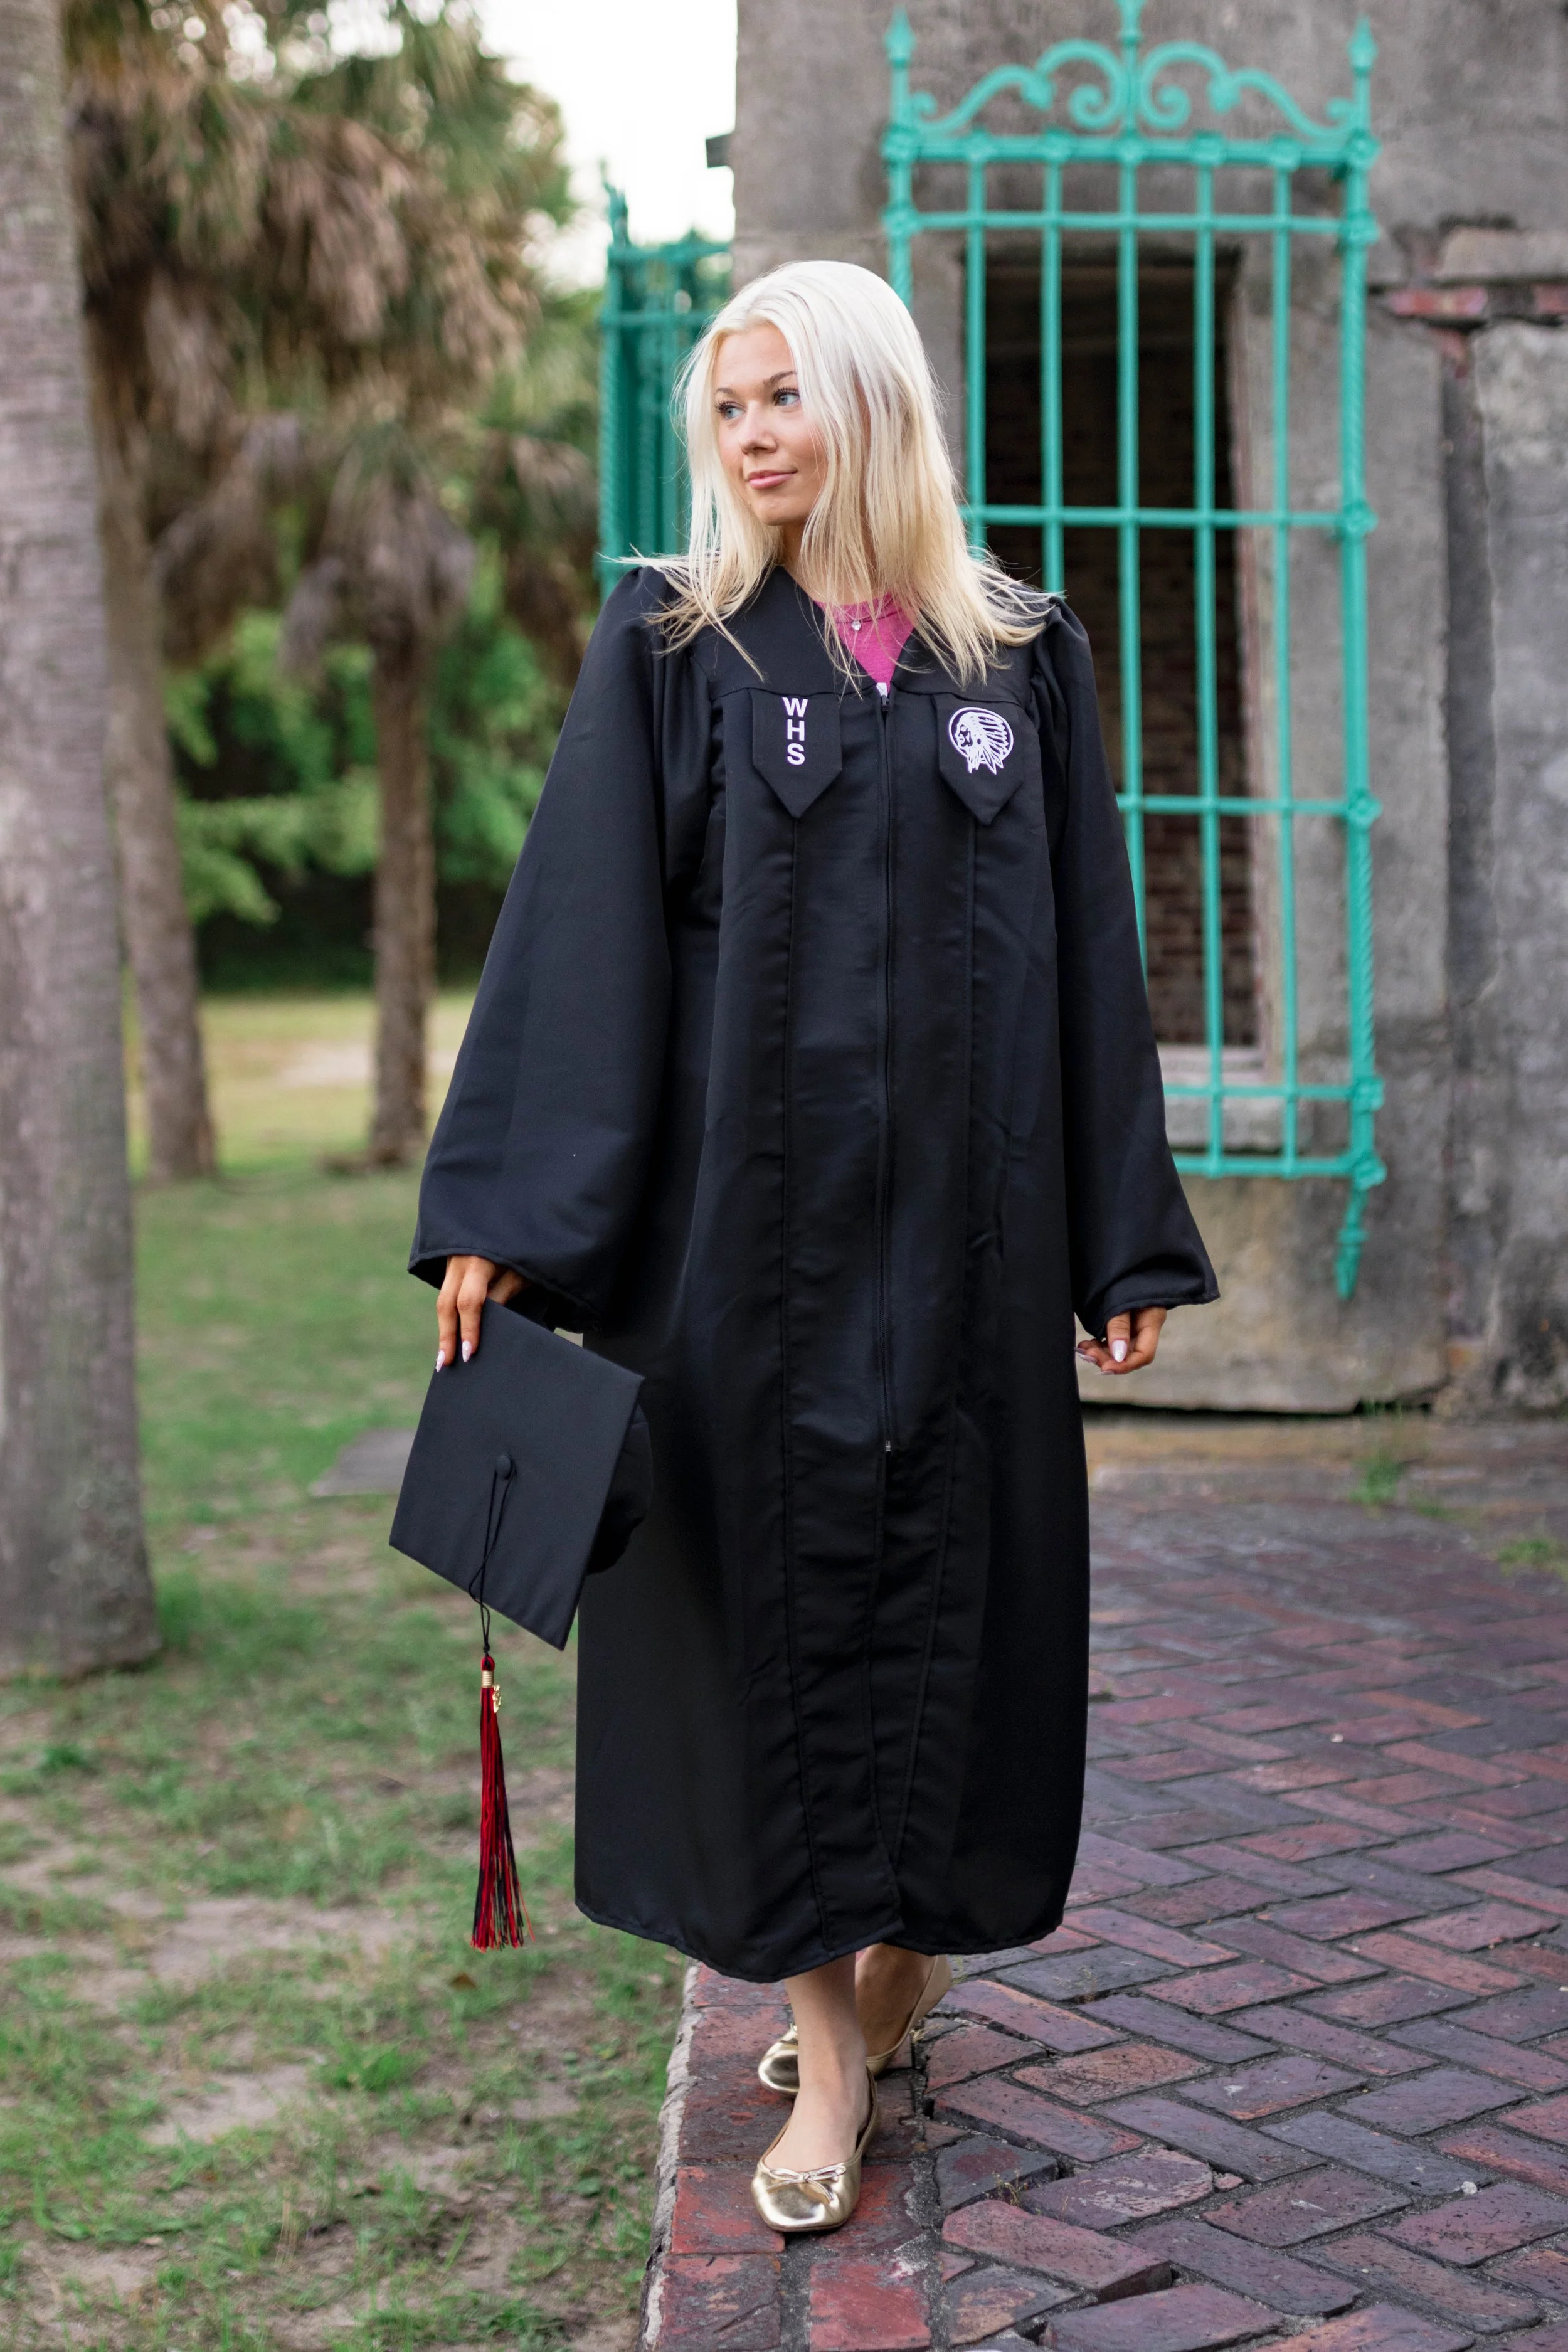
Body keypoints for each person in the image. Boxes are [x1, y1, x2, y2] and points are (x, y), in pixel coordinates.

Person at [410, 259, 1216, 2233]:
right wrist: (512, 1221)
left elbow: (1087, 963)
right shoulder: (673, 646)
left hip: (966, 1253)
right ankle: (827, 2047)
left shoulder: (1017, 660)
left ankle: (904, 1951)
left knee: (952, 1601)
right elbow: (583, 936)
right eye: (729, 407)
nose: (756, 436)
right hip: (735, 1260)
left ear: (870, 400)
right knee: (747, 1618)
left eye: (786, 396)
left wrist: (1113, 1228)